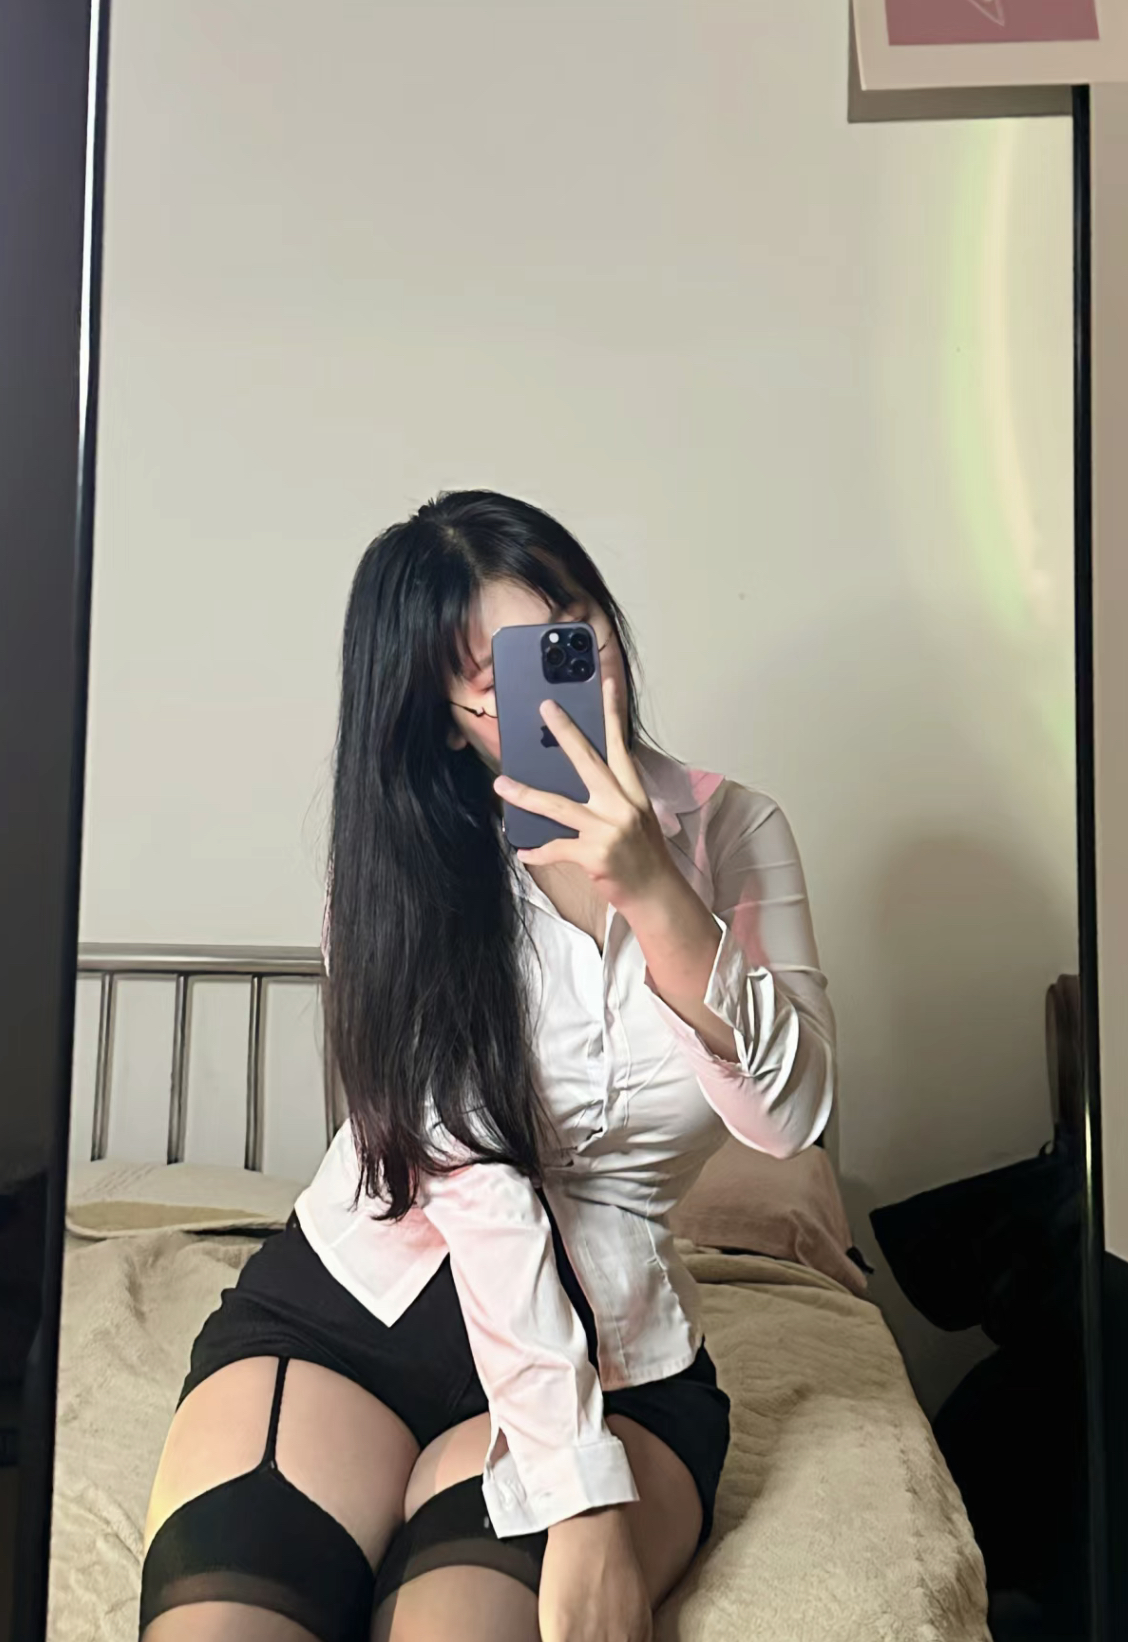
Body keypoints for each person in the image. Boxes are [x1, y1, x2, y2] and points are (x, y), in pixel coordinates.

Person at [138, 490, 836, 1642]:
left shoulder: (736, 831)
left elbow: (789, 1116)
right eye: (494, 675)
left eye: (570, 631)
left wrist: (655, 889)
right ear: (444, 714)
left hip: (619, 1348)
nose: (560, 685)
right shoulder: (399, 869)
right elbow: (474, 1181)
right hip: (348, 1315)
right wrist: (577, 1488)